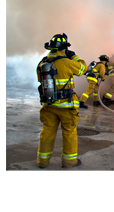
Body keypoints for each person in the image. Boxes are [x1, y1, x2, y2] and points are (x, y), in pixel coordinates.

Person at [36, 33, 86, 169]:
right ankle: (69, 162)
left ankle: (42, 162)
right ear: (64, 48)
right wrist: (73, 56)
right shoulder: (67, 62)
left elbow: (40, 79)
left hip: (49, 105)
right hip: (66, 106)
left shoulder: (42, 63)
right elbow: (83, 68)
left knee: (47, 132)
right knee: (69, 132)